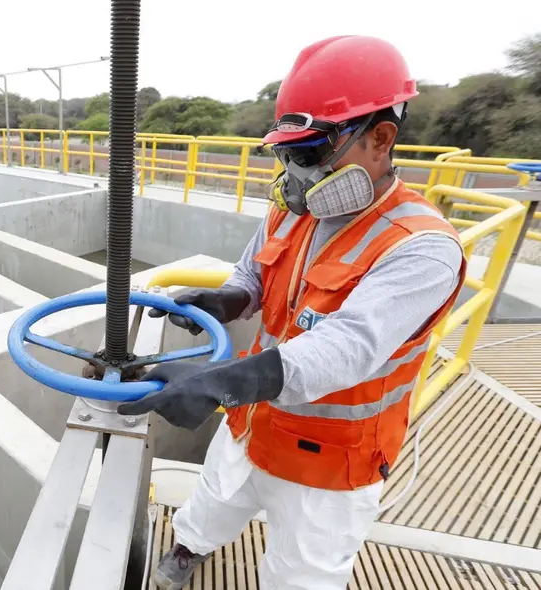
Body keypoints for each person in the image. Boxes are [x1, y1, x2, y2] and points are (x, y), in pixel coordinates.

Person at [118, 35, 467, 589]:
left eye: (310, 154)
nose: (297, 175)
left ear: (381, 138)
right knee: (212, 501)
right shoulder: (298, 210)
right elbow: (253, 272)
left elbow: (346, 349)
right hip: (254, 421)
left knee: (301, 575)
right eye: (287, 154)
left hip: (329, 464)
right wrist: (226, 300)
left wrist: (216, 381)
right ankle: (188, 550)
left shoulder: (422, 247)